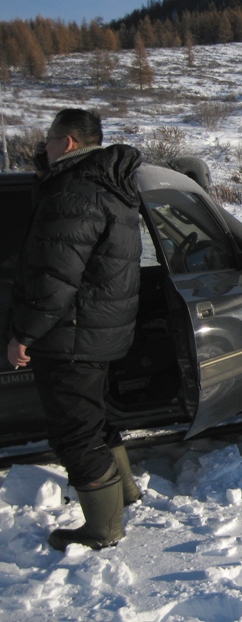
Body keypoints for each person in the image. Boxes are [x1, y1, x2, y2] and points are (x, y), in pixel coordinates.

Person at [6, 108, 143, 550]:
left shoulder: (73, 190)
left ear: (67, 142)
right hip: (96, 331)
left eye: (47, 141)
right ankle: (124, 493)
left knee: (74, 431)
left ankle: (102, 529)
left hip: (71, 334)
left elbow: (54, 277)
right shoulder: (110, 186)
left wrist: (24, 334)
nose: (42, 149)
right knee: (92, 418)